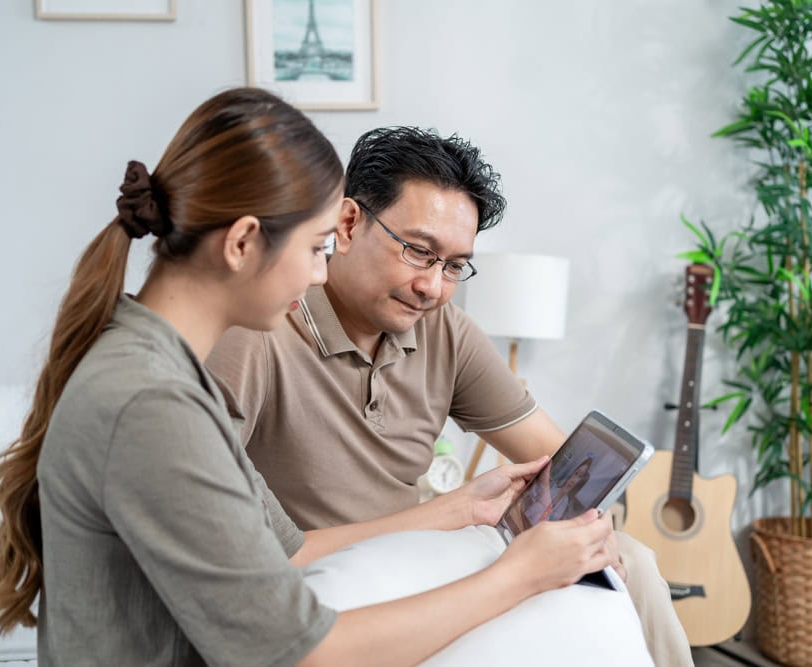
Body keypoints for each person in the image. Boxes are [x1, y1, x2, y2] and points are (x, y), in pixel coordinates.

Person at [0, 89, 621, 665]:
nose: (320, 273)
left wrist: (461, 511)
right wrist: (519, 576)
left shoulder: (168, 376)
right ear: (243, 243)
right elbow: (296, 652)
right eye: (316, 247)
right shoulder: (153, 403)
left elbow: (288, 553)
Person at [206, 126, 694, 667]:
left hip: (423, 558)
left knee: (631, 558)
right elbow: (245, 545)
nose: (433, 287)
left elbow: (562, 462)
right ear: (347, 224)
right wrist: (457, 510)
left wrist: (590, 534)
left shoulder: (444, 331)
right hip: (335, 582)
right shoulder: (259, 329)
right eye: (418, 252)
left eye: (455, 266)